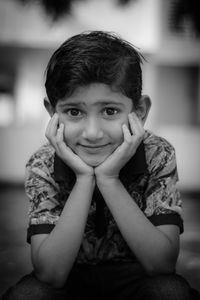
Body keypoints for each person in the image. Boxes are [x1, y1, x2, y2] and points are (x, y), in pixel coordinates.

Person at [2, 31, 199, 300]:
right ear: (52, 113)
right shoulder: (43, 163)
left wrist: (109, 179)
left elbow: (161, 264)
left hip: (137, 279)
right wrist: (84, 179)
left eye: (109, 111)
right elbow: (51, 274)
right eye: (74, 112)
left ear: (139, 111)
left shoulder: (156, 154)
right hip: (69, 280)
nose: (92, 133)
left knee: (170, 292)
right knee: (29, 295)